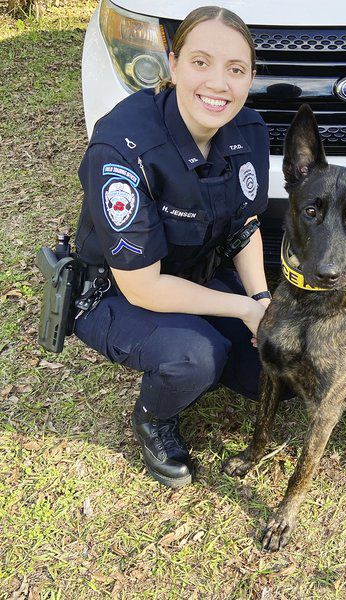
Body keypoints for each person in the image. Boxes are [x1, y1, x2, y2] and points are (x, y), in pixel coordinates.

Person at [72, 6, 272, 489]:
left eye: (235, 70)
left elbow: (245, 223)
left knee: (270, 367)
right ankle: (152, 417)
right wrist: (243, 308)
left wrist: (264, 302)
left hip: (195, 274)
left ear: (250, 79)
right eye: (201, 62)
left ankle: (217, 356)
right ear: (173, 62)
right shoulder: (123, 147)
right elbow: (143, 286)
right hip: (118, 292)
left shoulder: (249, 129)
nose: (219, 84)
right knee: (195, 356)